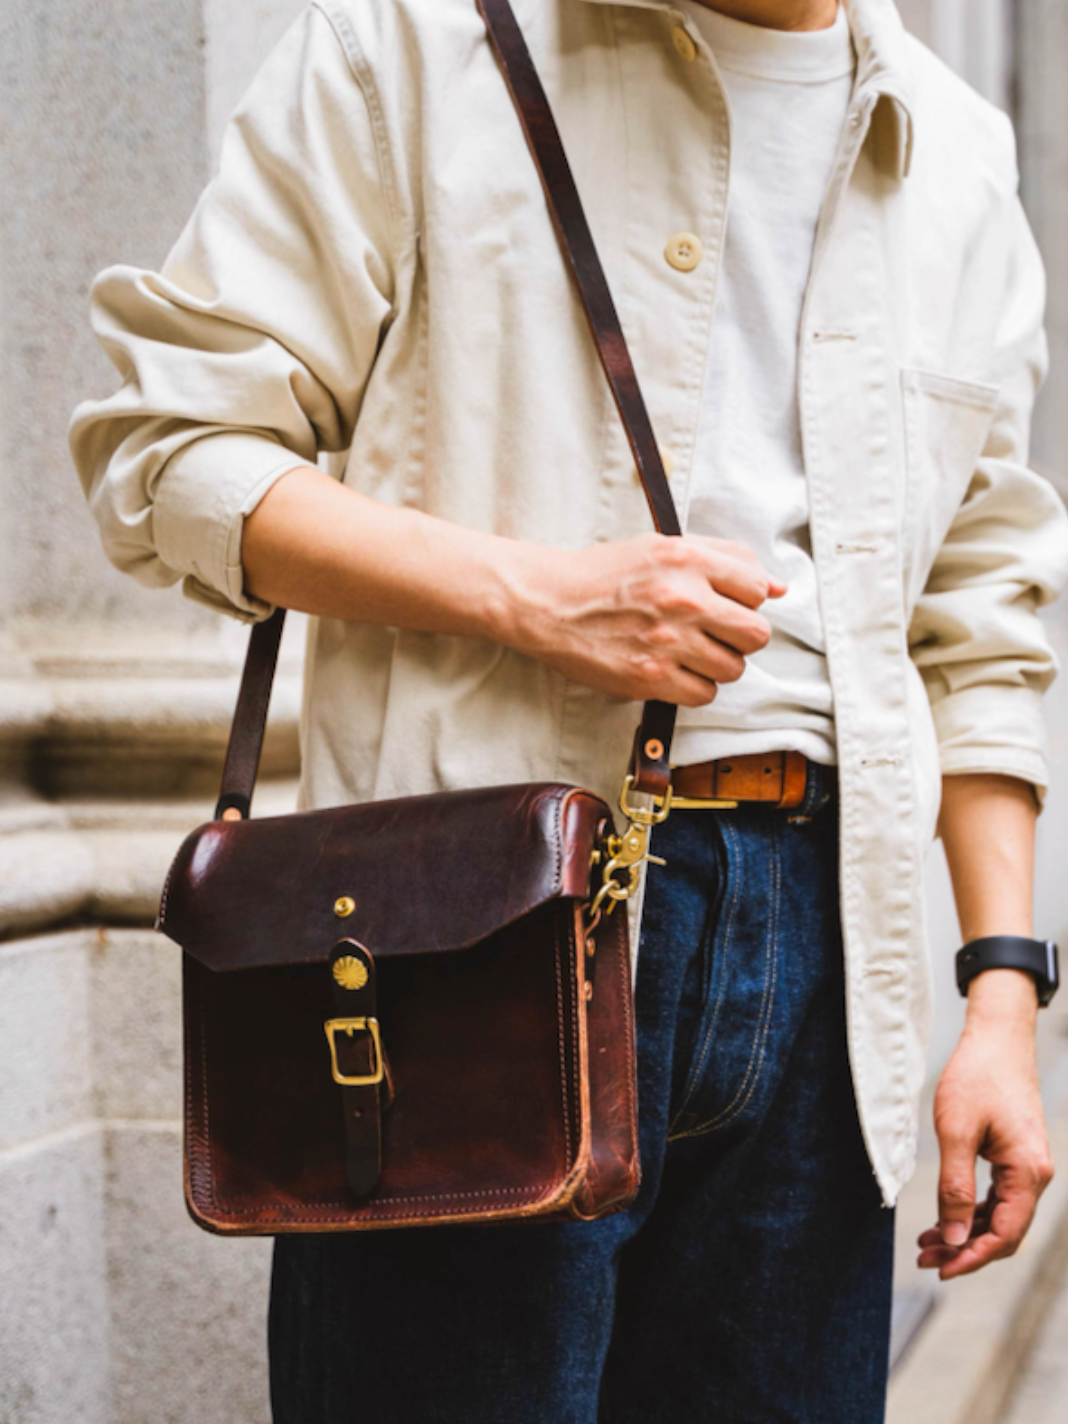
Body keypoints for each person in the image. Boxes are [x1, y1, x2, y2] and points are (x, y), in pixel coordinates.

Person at [70, 0, 1068, 1418]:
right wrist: (536, 598)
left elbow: (982, 621)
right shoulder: (410, 49)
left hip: (825, 953)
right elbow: (169, 447)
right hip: (478, 935)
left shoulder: (957, 153)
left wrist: (1001, 1001)